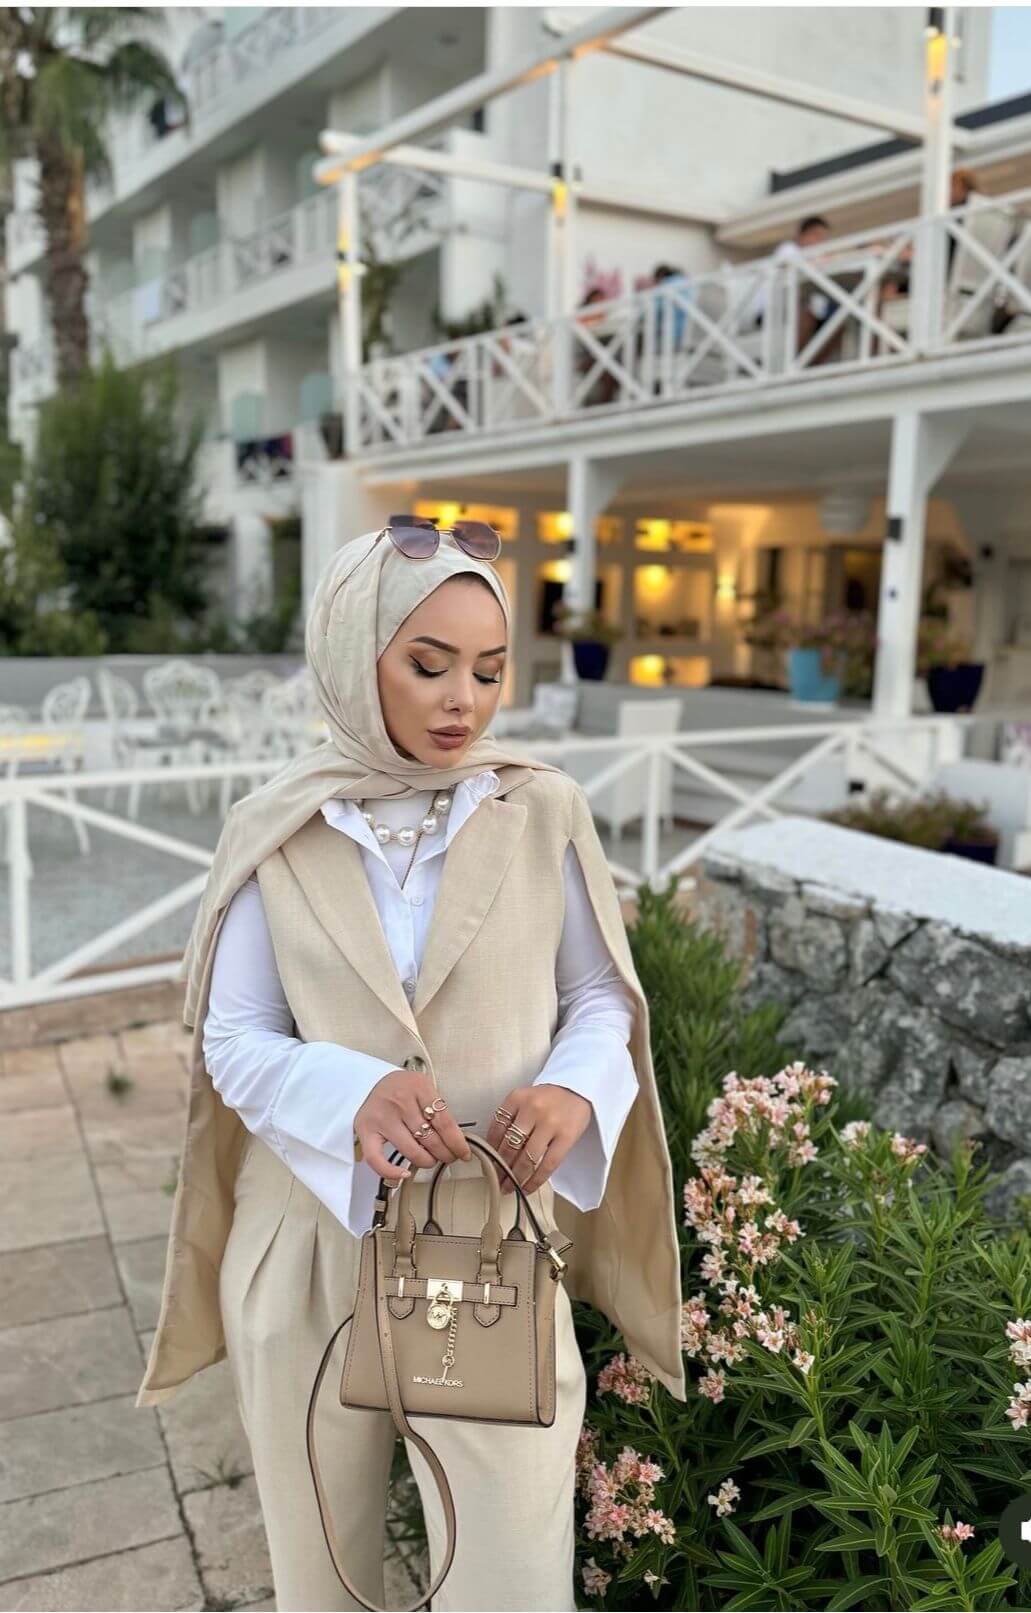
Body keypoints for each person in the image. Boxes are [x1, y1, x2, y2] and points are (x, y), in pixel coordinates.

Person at [135, 519, 687, 1611]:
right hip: (306, 1249)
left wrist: (574, 1087)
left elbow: (597, 996)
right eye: (428, 664)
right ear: (354, 653)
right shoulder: (274, 823)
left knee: (511, 1581)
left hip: (490, 1244)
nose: (462, 701)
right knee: (320, 1579)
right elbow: (233, 1037)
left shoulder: (539, 806)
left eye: (487, 669)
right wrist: (354, 1093)